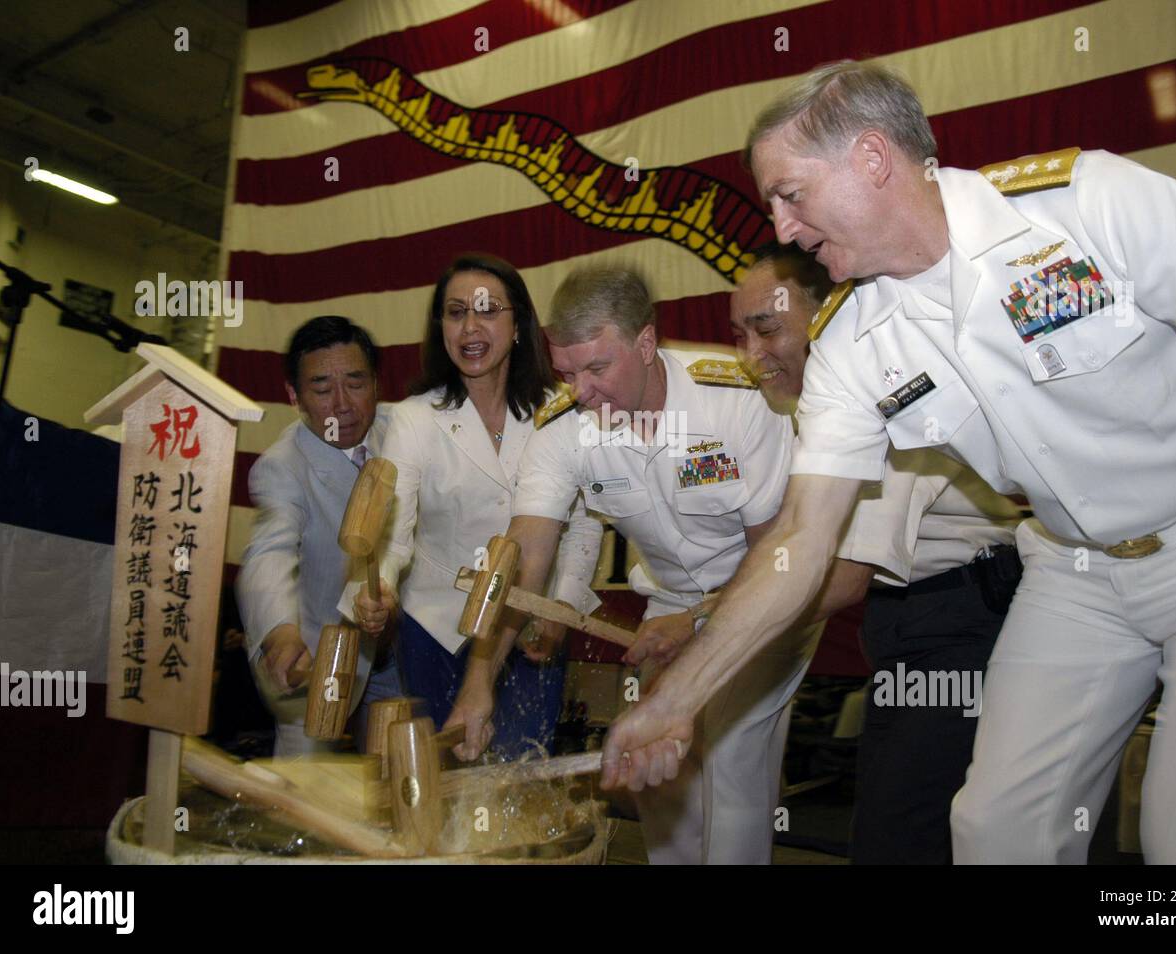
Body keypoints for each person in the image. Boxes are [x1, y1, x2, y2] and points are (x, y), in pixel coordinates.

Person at [602, 60, 1176, 865]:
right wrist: (677, 700)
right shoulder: (851, 343)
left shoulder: (1085, 205)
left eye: (790, 194)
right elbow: (803, 538)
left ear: (871, 159)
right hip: (1074, 569)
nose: (782, 229)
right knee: (995, 833)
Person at [453, 264, 819, 864]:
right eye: (568, 372)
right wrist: (478, 684)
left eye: (599, 368)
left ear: (646, 343)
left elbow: (775, 553)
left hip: (765, 595)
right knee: (656, 769)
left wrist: (699, 622)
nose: (583, 391)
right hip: (671, 603)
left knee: (731, 759)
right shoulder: (562, 429)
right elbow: (522, 565)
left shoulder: (738, 400)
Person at [731, 242, 1024, 863]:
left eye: (767, 329)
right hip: (905, 621)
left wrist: (705, 633)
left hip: (960, 620)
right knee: (902, 822)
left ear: (828, 314)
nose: (750, 356)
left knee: (904, 832)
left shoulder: (885, 386)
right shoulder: (814, 408)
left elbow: (840, 580)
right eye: (741, 334)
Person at [346, 254, 602, 759]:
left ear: (519, 324)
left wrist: (563, 606)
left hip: (531, 626)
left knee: (520, 777)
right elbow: (393, 529)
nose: (470, 326)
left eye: (487, 310)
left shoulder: (563, 411)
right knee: (439, 781)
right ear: (440, 326)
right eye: (456, 311)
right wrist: (380, 588)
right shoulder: (415, 418)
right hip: (437, 628)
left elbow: (583, 525)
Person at [236, 315, 402, 757]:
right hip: (317, 652)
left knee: (402, 780)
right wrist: (279, 632)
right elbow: (268, 552)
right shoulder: (282, 466)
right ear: (294, 396)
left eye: (356, 383)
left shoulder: (403, 430)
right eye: (323, 389)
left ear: (377, 385)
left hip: (401, 642)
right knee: (303, 792)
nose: (343, 405)